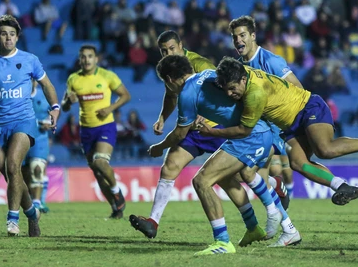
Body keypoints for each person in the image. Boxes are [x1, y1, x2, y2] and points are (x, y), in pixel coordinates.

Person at [129, 30, 288, 240]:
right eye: (163, 50)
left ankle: (269, 197)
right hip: (191, 129)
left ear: (181, 45)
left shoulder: (198, 64)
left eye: (171, 49)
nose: (167, 53)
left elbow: (225, 86)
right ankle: (154, 221)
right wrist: (162, 118)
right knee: (170, 166)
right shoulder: (172, 70)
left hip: (215, 127)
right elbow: (171, 96)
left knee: (234, 176)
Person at [149, 55, 301, 255]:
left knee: (202, 181)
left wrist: (159, 147)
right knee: (232, 176)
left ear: (169, 80)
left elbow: (179, 133)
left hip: (250, 137)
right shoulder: (209, 74)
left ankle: (223, 242)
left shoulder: (187, 93)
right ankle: (256, 227)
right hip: (257, 132)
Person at [206, 57, 358, 207]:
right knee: (298, 163)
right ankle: (340, 185)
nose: (230, 94)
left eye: (232, 89)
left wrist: (212, 131)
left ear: (242, 79)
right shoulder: (241, 72)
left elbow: (243, 130)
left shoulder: (255, 94)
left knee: (325, 150)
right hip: (290, 124)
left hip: (308, 107)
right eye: (227, 90)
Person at [0, 15, 60, 236]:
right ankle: (32, 213)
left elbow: (46, 84)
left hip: (24, 122)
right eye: (3, 33)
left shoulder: (30, 59)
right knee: (14, 176)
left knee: (12, 165)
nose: (8, 38)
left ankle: (12, 219)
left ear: (17, 37)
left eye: (12, 34)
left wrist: (55, 107)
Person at [229, 15, 297, 197]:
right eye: (235, 37)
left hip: (277, 126)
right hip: (257, 127)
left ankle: (283, 201)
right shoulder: (238, 68)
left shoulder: (271, 61)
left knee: (260, 170)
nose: (238, 40)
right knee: (243, 172)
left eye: (242, 35)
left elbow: (298, 89)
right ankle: (279, 197)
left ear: (253, 36)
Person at [61, 44, 131, 219]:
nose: (86, 60)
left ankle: (116, 191)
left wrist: (110, 108)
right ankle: (116, 209)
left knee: (100, 162)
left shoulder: (107, 76)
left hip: (105, 126)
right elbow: (64, 106)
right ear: (79, 59)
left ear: (96, 58)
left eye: (90, 56)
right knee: (98, 175)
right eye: (83, 57)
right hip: (85, 130)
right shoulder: (73, 79)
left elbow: (125, 95)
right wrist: (69, 102)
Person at [22, 80, 52, 213]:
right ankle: (30, 199)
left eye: (32, 80)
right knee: (24, 173)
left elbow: (54, 113)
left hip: (40, 138)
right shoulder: (18, 96)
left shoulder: (44, 96)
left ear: (36, 82)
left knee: (38, 168)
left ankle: (38, 202)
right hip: (21, 139)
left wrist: (49, 122)